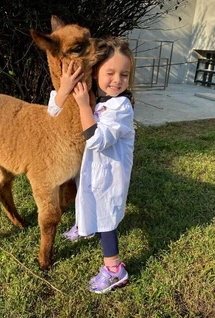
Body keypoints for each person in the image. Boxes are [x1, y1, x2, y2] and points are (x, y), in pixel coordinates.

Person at [48, 37, 135, 293]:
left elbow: (96, 139)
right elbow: (53, 112)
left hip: (109, 176)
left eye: (124, 74)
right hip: (92, 170)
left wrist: (83, 105)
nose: (117, 80)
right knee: (85, 196)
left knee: (106, 219)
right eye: (110, 72)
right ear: (96, 71)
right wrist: (65, 88)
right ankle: (84, 224)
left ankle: (114, 270)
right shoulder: (98, 98)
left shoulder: (121, 107)